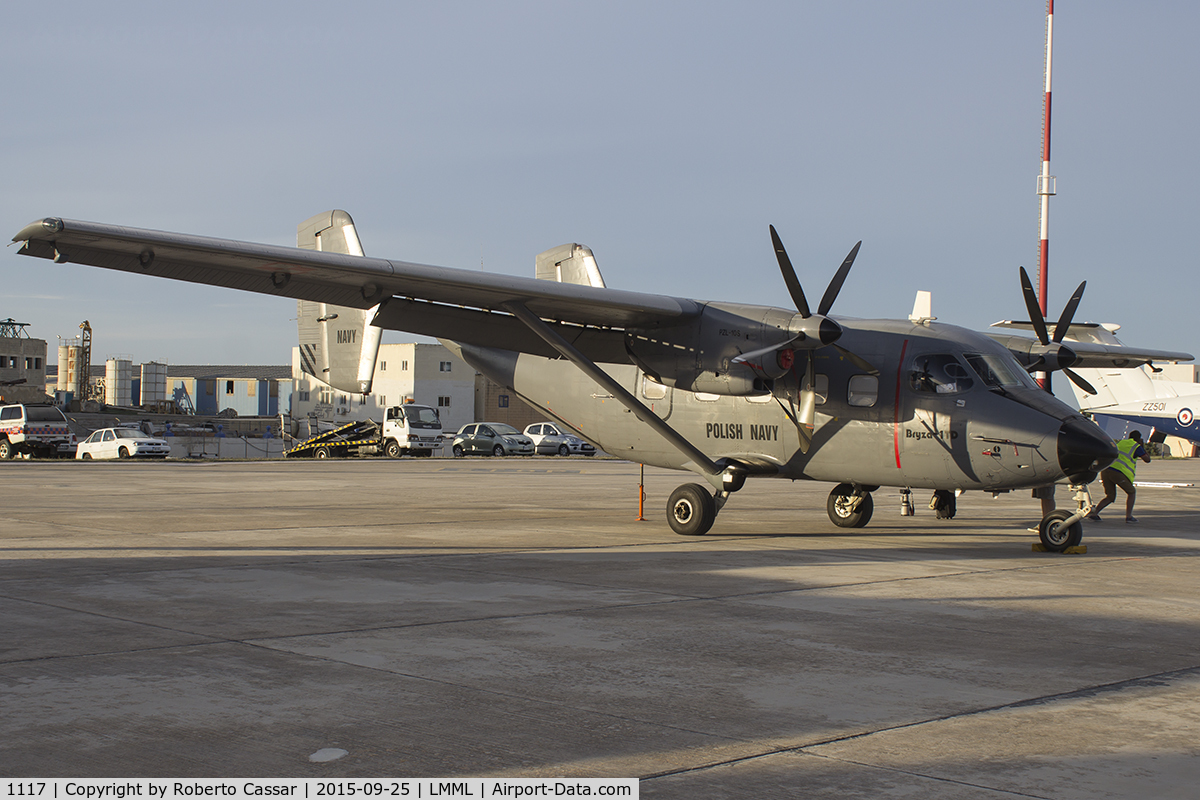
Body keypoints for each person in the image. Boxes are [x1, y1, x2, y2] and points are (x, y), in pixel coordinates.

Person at [1089, 430, 1151, 523]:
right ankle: (1129, 517)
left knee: (1110, 496)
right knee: (1131, 492)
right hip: (1117, 473)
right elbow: (1147, 459)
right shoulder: (1136, 446)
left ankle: (1094, 514)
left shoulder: (1120, 442)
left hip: (1106, 470)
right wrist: (1142, 446)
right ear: (1138, 439)